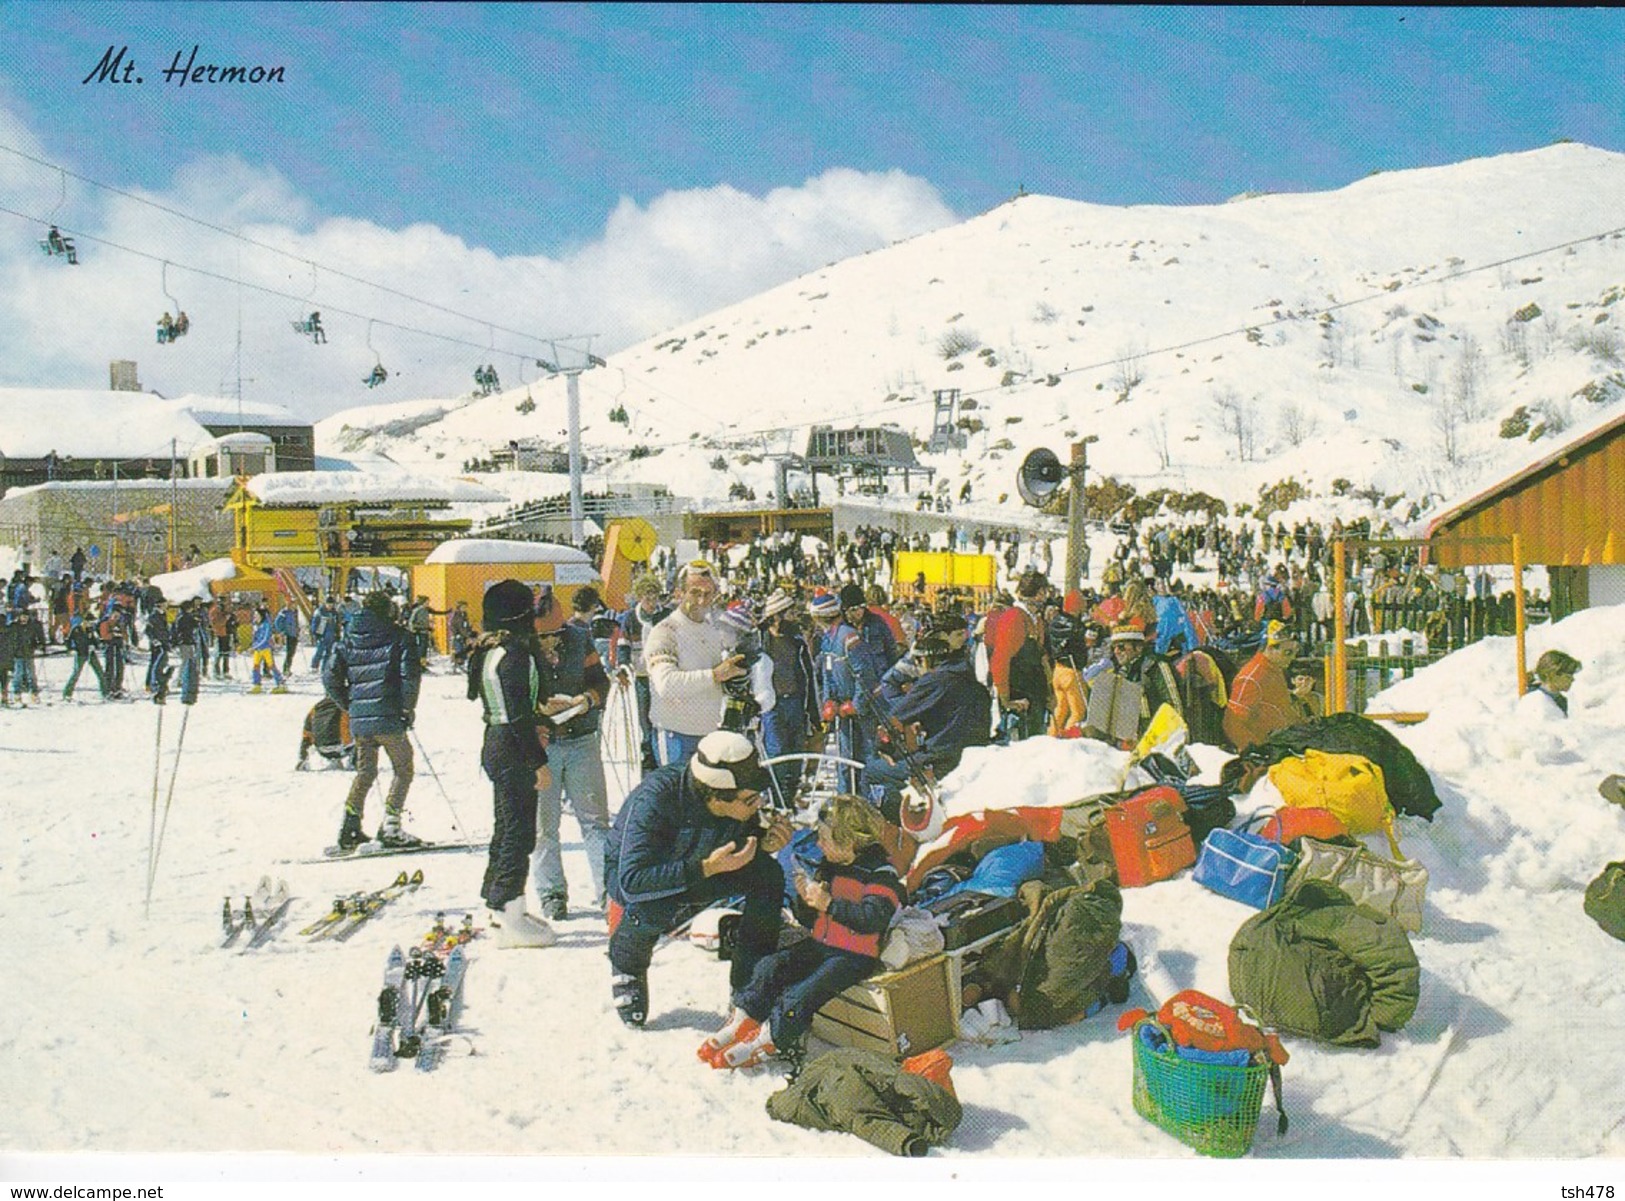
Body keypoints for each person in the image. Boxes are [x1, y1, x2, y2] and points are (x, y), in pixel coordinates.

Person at [700, 794, 903, 1071]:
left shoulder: (881, 872)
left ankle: (775, 1039)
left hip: (853, 955)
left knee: (798, 995)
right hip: (821, 943)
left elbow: (873, 919)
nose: (819, 845)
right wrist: (804, 901)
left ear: (849, 843)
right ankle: (744, 1019)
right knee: (770, 966)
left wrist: (829, 904)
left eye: (825, 840)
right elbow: (811, 920)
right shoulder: (831, 865)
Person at [606, 730, 793, 1028]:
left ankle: (748, 983)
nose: (757, 805)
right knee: (657, 900)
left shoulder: (732, 803)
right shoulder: (656, 798)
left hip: (708, 863)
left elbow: (740, 832)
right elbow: (632, 879)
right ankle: (627, 962)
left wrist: (763, 841)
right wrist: (705, 867)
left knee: (767, 875)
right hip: (643, 877)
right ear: (716, 798)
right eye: (749, 800)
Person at [467, 580, 558, 948]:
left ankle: (500, 900)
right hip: (511, 745)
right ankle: (508, 908)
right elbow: (517, 713)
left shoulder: (491, 649)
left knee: (506, 826)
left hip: (497, 740)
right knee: (519, 831)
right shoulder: (515, 654)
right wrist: (538, 761)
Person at [528, 594, 613, 920]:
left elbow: (600, 683)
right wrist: (538, 708)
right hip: (542, 746)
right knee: (543, 826)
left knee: (595, 823)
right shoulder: (523, 647)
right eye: (542, 636)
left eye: (553, 634)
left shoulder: (580, 639)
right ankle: (551, 893)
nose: (548, 642)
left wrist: (587, 700)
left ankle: (608, 893)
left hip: (581, 741)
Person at [323, 591, 422, 851]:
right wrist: (407, 708)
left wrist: (349, 705)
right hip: (389, 714)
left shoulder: (348, 638)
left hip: (360, 718)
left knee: (365, 772)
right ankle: (391, 824)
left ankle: (350, 825)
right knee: (403, 768)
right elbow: (409, 676)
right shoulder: (400, 637)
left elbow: (330, 677)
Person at [863, 630, 991, 822]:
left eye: (917, 663)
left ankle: (900, 827)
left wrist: (883, 748)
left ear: (925, 661)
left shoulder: (934, 680)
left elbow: (894, 719)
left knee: (872, 772)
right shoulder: (968, 678)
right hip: (972, 755)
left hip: (942, 759)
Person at [644, 561, 746, 768]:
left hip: (708, 733)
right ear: (679, 593)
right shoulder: (665, 631)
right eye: (695, 592)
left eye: (708, 594)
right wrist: (715, 675)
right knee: (678, 797)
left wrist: (735, 678)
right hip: (676, 735)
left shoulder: (711, 630)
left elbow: (716, 679)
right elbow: (665, 684)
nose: (701, 600)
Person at [1083, 620, 1183, 747]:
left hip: (1155, 738)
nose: (1116, 651)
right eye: (1114, 647)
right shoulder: (1122, 671)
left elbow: (1174, 706)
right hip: (1130, 739)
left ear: (1138, 647)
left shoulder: (1156, 666)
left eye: (1122, 647)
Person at [1223, 621, 1315, 752]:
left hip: (1286, 743)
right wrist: (1257, 751)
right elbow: (1232, 723)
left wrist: (1296, 697)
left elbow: (1278, 707)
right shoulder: (1251, 677)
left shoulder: (1274, 670)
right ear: (1270, 648)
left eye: (1295, 653)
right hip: (1269, 749)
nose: (1293, 658)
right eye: (1288, 653)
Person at [986, 571, 1053, 740]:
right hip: (1019, 696)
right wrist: (1006, 699)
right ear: (1038, 593)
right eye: (1043, 592)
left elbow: (1042, 657)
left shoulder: (1035, 619)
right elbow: (1000, 660)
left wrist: (1050, 692)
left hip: (1035, 695)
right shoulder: (1014, 617)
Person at [1519, 649, 1582, 719]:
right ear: (1553, 675)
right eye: (1569, 676)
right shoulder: (1536, 700)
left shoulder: (1561, 700)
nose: (1573, 679)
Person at [296, 696, 355, 770]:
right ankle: (353, 762)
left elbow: (307, 734)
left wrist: (302, 757)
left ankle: (334, 761)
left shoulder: (316, 707)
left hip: (322, 750)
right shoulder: (347, 704)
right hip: (343, 747)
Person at [61, 615, 107, 701]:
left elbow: (94, 640)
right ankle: (67, 694)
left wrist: (94, 645)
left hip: (90, 653)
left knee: (100, 672)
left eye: (91, 623)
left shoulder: (90, 630)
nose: (90, 624)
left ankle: (105, 693)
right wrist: (71, 649)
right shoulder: (76, 629)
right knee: (76, 673)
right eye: (89, 622)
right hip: (80, 654)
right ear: (84, 621)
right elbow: (68, 640)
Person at [247, 606, 287, 694]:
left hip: (266, 648)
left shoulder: (266, 625)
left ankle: (280, 683)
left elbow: (265, 638)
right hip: (258, 649)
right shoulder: (257, 624)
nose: (255, 616)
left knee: (271, 666)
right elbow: (255, 637)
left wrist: (255, 646)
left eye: (257, 615)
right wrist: (253, 644)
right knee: (256, 666)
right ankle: (256, 684)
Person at [273, 603, 301, 677]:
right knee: (289, 652)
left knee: (292, 652)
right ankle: (286, 669)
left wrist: (298, 629)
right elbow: (277, 622)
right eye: (293, 604)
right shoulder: (284, 612)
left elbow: (296, 622)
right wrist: (281, 631)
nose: (294, 605)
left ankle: (288, 668)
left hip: (294, 634)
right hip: (288, 635)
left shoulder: (295, 612)